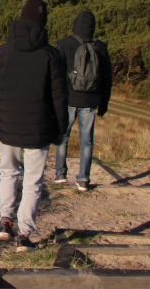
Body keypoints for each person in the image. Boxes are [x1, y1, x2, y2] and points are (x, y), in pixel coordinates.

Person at [0, 0, 68, 252]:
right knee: (33, 181)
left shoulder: (2, 51)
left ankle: (5, 223)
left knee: (8, 173)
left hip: (8, 126)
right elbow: (59, 97)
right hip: (39, 129)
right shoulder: (51, 55)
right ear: (43, 23)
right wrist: (61, 129)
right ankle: (24, 235)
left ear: (21, 18)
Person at [53, 11, 113, 192]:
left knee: (63, 137)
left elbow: (55, 73)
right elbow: (108, 77)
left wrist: (55, 98)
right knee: (87, 140)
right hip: (91, 100)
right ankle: (84, 179)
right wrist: (104, 102)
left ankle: (60, 174)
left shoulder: (65, 43)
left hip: (69, 98)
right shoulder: (100, 47)